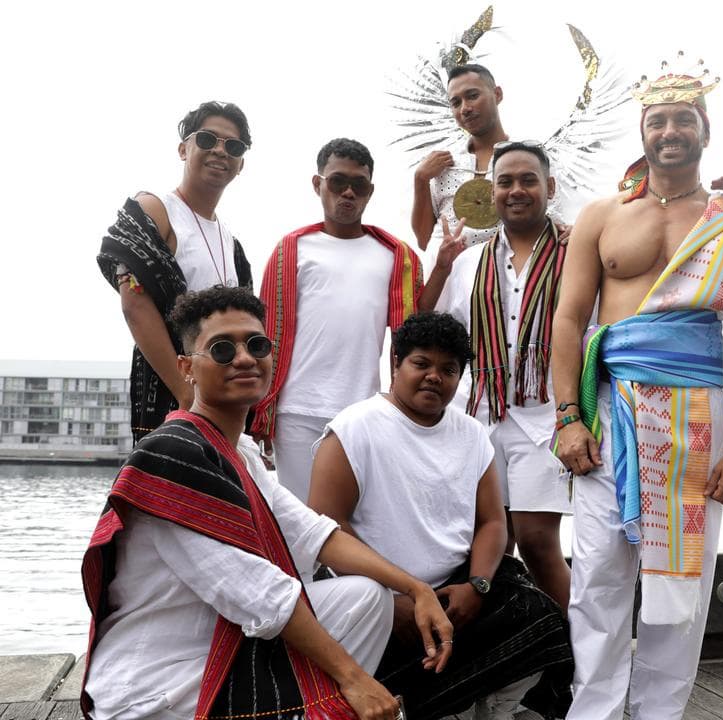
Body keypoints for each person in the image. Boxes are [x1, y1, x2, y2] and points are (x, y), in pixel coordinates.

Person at [80, 286, 453, 720]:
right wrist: (354, 680)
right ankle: (330, 705)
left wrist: (415, 588)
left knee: (368, 598)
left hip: (218, 643)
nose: (243, 358)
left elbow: (317, 535)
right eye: (221, 349)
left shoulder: (240, 452)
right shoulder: (174, 454)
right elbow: (260, 594)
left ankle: (323, 707)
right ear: (187, 368)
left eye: (256, 345)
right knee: (337, 663)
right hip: (156, 683)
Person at [550, 62, 723, 719]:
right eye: (658, 120)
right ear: (642, 131)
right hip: (610, 411)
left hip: (696, 417)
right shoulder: (600, 216)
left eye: (683, 119)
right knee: (596, 580)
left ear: (706, 128)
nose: (670, 130)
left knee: (682, 589)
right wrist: (568, 417)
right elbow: (569, 318)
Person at [308, 311, 572, 720]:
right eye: (421, 364)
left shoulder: (470, 434)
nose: (434, 376)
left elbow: (492, 522)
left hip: (457, 594)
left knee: (540, 616)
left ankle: (493, 708)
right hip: (382, 600)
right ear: (395, 362)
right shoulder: (352, 429)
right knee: (406, 682)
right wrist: (396, 600)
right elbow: (326, 529)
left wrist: (477, 585)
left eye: (448, 369)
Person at [430, 140, 573, 610]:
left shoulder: (576, 255)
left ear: (549, 187)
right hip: (481, 417)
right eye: (505, 182)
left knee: (536, 541)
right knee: (488, 547)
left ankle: (581, 662)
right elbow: (447, 338)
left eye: (528, 180)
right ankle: (510, 662)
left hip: (546, 419)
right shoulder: (468, 263)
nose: (516, 190)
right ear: (491, 193)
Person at [250, 138, 423, 500]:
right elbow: (263, 333)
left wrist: (444, 264)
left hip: (364, 409)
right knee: (301, 521)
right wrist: (258, 408)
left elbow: (413, 330)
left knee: (357, 520)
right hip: (297, 408)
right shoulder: (291, 250)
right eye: (337, 181)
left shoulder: (394, 254)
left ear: (370, 191)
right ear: (318, 185)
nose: (348, 192)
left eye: (358, 185)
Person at [97, 101, 254, 442]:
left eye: (234, 146)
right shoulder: (155, 210)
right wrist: (185, 394)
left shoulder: (232, 245)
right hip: (173, 397)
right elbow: (135, 304)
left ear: (241, 165)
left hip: (225, 405)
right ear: (184, 149)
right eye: (208, 139)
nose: (220, 151)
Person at [411, 63, 509, 252]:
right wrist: (420, 179)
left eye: (472, 96)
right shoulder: (443, 164)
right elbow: (424, 241)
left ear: (497, 94)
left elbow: (552, 224)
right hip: (446, 276)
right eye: (456, 103)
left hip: (504, 275)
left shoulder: (526, 160)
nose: (465, 108)